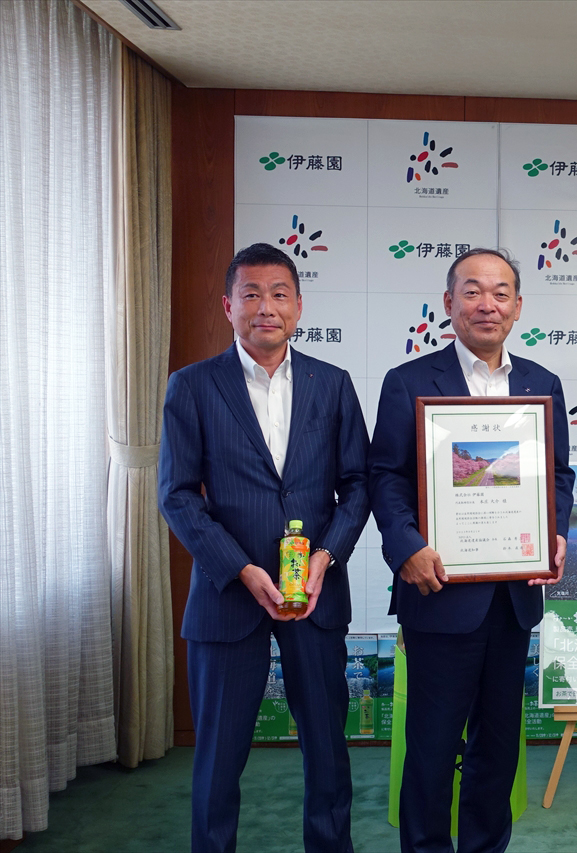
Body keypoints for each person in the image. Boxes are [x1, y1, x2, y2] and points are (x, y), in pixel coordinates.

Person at [159, 242, 370, 853]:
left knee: (327, 748)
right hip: (229, 594)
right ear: (229, 306)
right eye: (251, 294)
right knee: (218, 758)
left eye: (279, 294)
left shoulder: (333, 385)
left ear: (299, 305)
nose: (266, 307)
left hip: (314, 596)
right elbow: (177, 495)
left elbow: (358, 485)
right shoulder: (193, 386)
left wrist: (327, 557)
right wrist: (241, 569)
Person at [368, 248, 574, 853]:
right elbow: (386, 476)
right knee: (432, 748)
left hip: (512, 598)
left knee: (498, 747)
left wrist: (554, 531)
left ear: (518, 306)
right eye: (473, 291)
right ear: (449, 302)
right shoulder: (409, 381)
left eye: (501, 293)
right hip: (438, 593)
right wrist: (406, 546)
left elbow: (557, 474)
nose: (488, 304)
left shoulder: (541, 383)